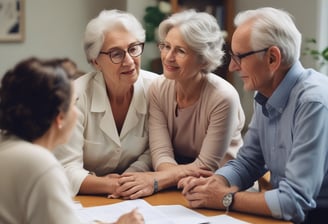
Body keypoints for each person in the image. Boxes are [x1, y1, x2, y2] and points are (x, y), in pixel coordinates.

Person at [178, 7, 328, 224]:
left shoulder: (313, 103)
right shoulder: (266, 93)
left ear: (272, 58)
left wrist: (225, 198)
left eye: (239, 56)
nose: (232, 66)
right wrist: (216, 183)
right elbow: (249, 162)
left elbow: (294, 201)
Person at [115, 9, 245, 199]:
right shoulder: (158, 88)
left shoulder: (223, 97)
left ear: (203, 59)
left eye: (180, 51)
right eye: (166, 46)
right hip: (179, 186)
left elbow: (206, 166)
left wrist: (156, 180)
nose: (168, 57)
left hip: (221, 187)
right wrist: (167, 179)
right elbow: (161, 153)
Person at [0, 57, 144, 224]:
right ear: (59, 117)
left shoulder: (8, 147)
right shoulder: (40, 164)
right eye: (74, 103)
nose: (77, 112)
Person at [53, 9, 158, 197]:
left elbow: (154, 150)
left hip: (137, 195)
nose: (129, 61)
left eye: (133, 48)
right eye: (116, 54)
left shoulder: (157, 89)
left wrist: (130, 177)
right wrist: (111, 186)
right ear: (95, 62)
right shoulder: (75, 97)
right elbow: (66, 169)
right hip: (85, 201)